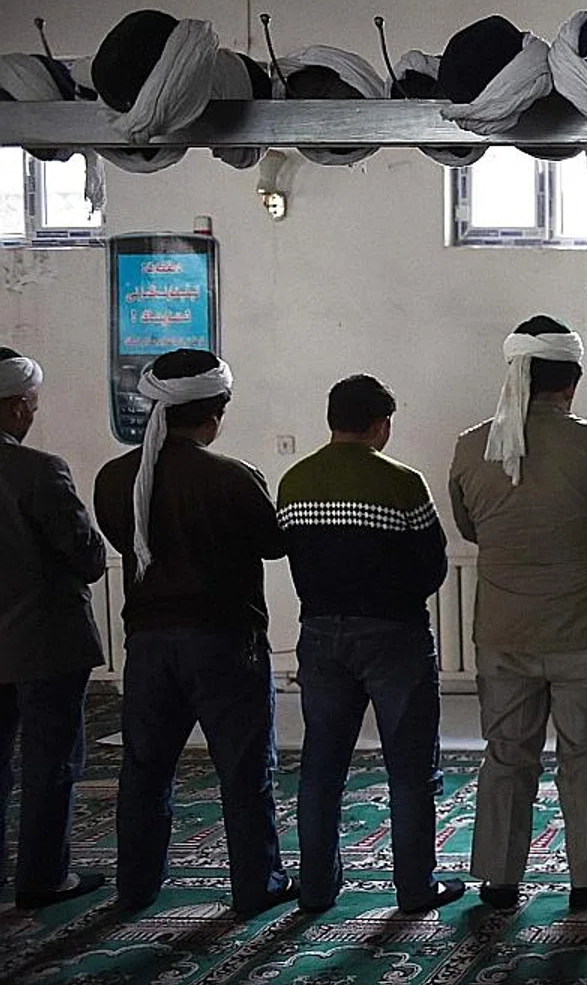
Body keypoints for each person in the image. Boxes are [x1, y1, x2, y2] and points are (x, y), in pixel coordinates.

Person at [448, 317, 587, 911]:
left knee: (507, 754)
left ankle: (499, 876)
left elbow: (470, 527)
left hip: (504, 630)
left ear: (515, 373)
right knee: (585, 756)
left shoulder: (471, 446)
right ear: (573, 380)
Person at [93, 349, 295, 916]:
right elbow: (274, 544)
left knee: (145, 771)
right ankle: (256, 886)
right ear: (216, 412)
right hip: (225, 643)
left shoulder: (114, 477)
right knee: (244, 771)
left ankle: (136, 888)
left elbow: (125, 540)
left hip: (148, 645)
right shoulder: (231, 477)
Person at [279, 375, 463, 915]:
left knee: (321, 768)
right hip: (394, 636)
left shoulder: (294, 481)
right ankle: (415, 888)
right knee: (410, 770)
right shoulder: (402, 482)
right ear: (381, 425)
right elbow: (432, 566)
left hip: (319, 635)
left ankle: (315, 889)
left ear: (332, 419)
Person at [0, 348, 109, 910]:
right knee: (50, 763)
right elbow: (86, 556)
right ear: (16, 406)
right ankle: (43, 878)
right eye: (32, 403)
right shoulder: (39, 470)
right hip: (44, 643)